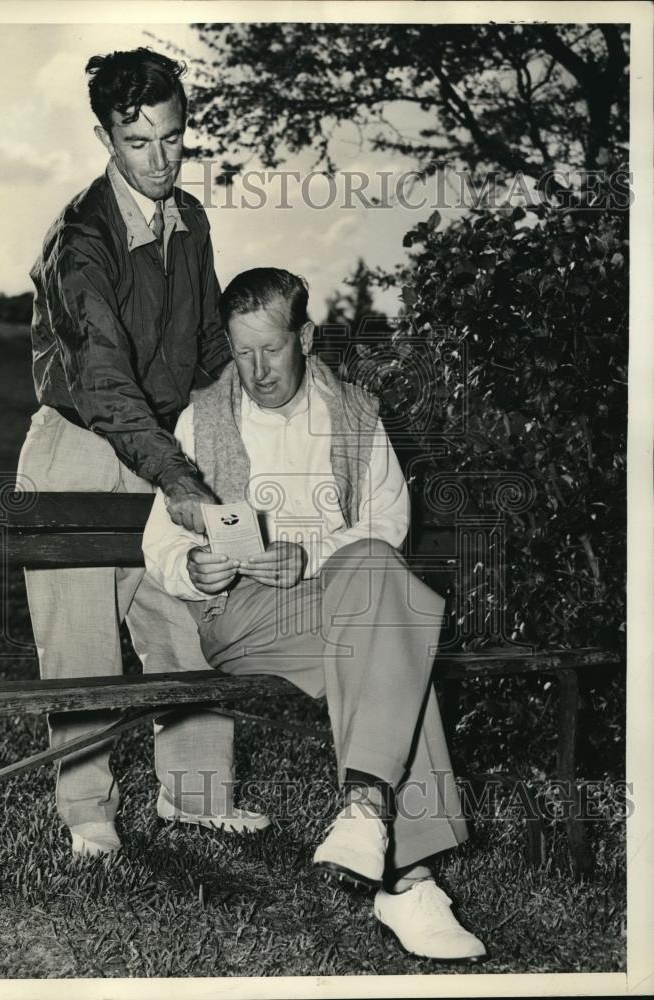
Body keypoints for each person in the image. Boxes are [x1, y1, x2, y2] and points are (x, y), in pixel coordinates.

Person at [142, 267, 487, 962]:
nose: (256, 369)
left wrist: (309, 556)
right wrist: (195, 567)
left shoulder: (355, 412)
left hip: (341, 602)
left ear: (302, 336)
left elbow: (387, 523)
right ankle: (403, 866)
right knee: (393, 640)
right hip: (241, 618)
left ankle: (375, 827)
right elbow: (159, 542)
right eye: (240, 352)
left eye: (269, 349)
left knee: (371, 583)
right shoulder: (201, 417)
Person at [17, 47, 268, 857]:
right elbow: (106, 386)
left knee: (188, 618)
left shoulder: (189, 218)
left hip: (166, 445)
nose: (160, 161)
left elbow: (202, 343)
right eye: (138, 142)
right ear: (105, 136)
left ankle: (195, 796)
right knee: (83, 644)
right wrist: (184, 482)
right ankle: (88, 812)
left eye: (173, 138)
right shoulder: (80, 238)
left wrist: (236, 426)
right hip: (82, 447)